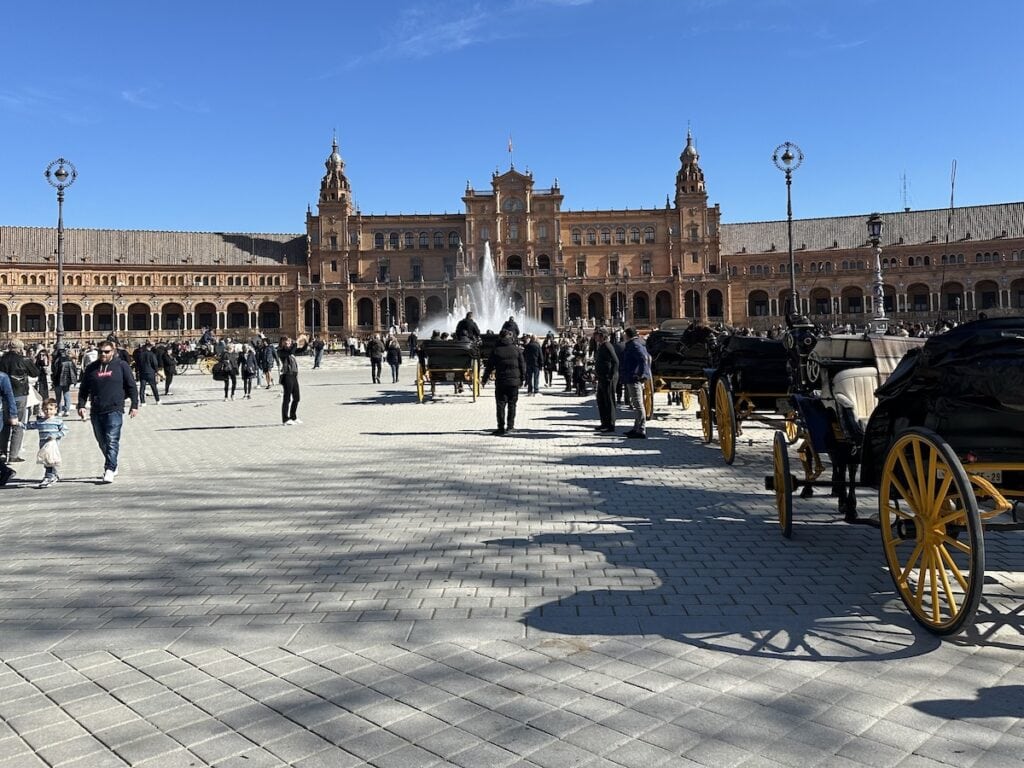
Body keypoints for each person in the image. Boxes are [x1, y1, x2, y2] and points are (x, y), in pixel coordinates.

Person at [77, 339, 139, 483]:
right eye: (101, 352)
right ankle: (113, 462)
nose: (103, 354)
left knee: (112, 439)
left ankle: (109, 468)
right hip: (97, 409)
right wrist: (81, 405)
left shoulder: (121, 366)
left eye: (107, 352)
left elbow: (131, 386)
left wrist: (134, 405)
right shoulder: (92, 368)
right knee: (101, 440)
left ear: (113, 351)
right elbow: (84, 389)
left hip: (115, 408)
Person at [0, 338, 40, 464]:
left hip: (4, 394)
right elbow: (35, 373)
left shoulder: (2, 359)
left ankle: (2, 452)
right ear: (20, 348)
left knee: (5, 424)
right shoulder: (24, 360)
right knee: (18, 424)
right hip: (19, 394)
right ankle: (13, 454)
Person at [482, 331, 525, 435]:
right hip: (514, 381)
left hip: (501, 381)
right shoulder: (517, 350)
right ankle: (510, 426)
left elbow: (489, 367)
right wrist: (522, 379)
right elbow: (522, 366)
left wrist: (484, 379)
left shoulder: (496, 350)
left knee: (500, 404)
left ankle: (501, 428)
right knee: (512, 404)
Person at [26, 398, 67, 488]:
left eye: (51, 409)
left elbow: (65, 430)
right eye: (46, 409)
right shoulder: (40, 421)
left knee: (50, 460)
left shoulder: (58, 421)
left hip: (53, 444)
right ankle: (53, 475)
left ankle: (49, 476)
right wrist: (19, 424)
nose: (48, 411)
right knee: (47, 460)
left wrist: (56, 435)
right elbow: (30, 426)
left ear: (56, 410)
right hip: (43, 444)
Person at [620, 327, 652, 439]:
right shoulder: (633, 344)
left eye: (624, 335)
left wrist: (641, 374)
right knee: (636, 404)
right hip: (630, 377)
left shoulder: (634, 345)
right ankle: (636, 428)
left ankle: (641, 429)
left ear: (628, 335)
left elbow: (644, 358)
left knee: (638, 404)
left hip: (634, 378)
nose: (623, 336)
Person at [592, 327, 619, 433]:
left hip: (608, 378)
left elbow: (616, 362)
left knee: (609, 400)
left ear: (602, 336)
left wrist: (611, 375)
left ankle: (611, 424)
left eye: (597, 334)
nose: (595, 336)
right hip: (602, 377)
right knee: (601, 400)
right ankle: (604, 423)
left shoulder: (608, 346)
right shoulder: (601, 346)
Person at [277, 335, 308, 425]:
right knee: (287, 398)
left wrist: (306, 341)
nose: (288, 343)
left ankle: (293, 416)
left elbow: (302, 350)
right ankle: (285, 419)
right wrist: (297, 341)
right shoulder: (280, 351)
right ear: (282, 342)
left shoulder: (291, 350)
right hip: (287, 376)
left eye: (289, 342)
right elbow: (290, 352)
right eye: (286, 342)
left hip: (294, 376)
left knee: (297, 397)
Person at [0, 370, 18, 486]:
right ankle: (5, 470)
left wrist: (13, 415)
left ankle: (5, 471)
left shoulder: (2, 377)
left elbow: (9, 395)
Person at [51, 345, 79, 416]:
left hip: (58, 380)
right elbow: (74, 370)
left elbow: (54, 370)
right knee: (67, 394)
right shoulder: (69, 359)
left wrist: (53, 379)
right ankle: (67, 410)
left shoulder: (56, 360)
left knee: (58, 396)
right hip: (67, 380)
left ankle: (59, 411)